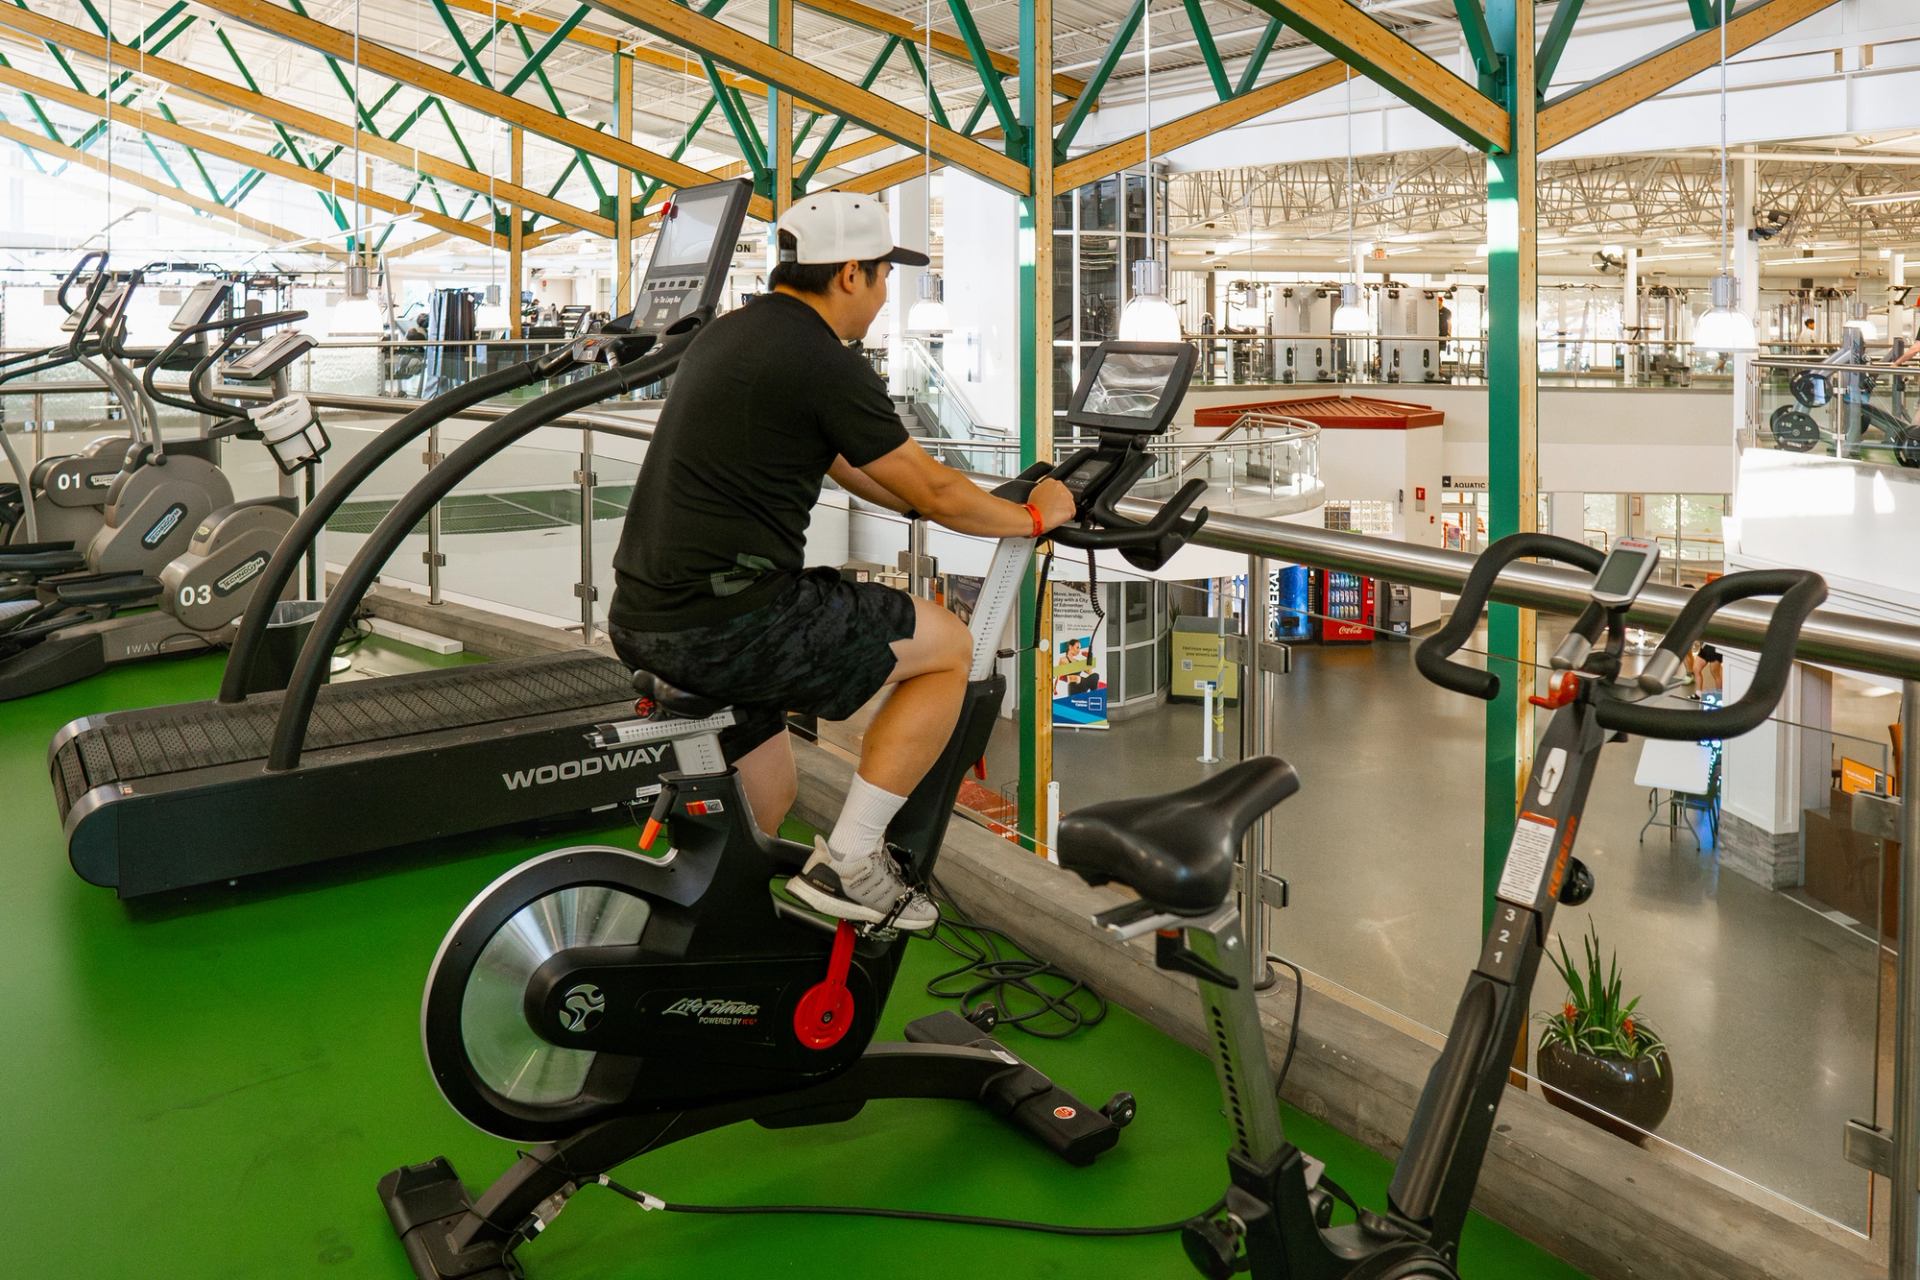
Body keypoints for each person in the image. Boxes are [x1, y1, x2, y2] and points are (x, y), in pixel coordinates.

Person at [609, 191, 1076, 932]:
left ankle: (708, 942)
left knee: (769, 795)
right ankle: (852, 860)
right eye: (886, 276)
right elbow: (930, 482)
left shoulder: (738, 333)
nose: (887, 295)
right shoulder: (823, 359)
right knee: (948, 646)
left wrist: (926, 502)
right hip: (734, 626)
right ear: (851, 274)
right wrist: (1030, 515)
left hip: (649, 617)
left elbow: (849, 463)